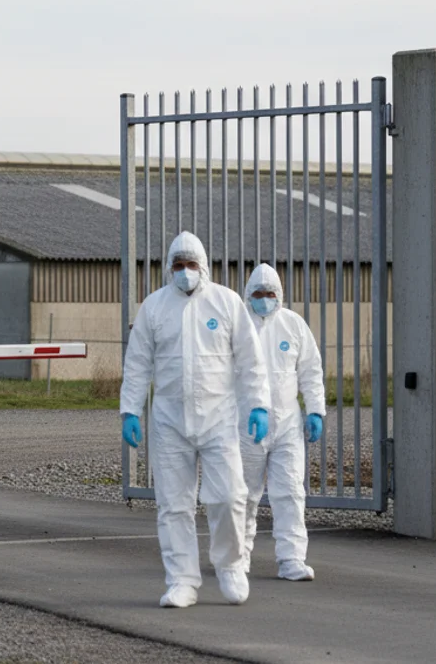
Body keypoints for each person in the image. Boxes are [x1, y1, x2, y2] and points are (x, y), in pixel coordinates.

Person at [120, 231, 272, 608]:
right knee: (173, 504)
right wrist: (130, 410)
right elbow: (138, 363)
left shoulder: (227, 302)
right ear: (169, 267)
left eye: (191, 265)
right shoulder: (154, 307)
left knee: (229, 496)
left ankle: (231, 565)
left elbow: (251, 360)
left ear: (203, 266)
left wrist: (258, 405)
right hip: (169, 419)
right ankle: (181, 581)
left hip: (219, 417)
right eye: (178, 265)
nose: (184, 272)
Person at [237, 263, 325, 582]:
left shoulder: (293, 325)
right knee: (243, 493)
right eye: (258, 294)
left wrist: (315, 410)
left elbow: (311, 371)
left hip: (287, 426)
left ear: (280, 295)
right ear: (248, 295)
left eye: (270, 294)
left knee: (289, 492)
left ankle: (291, 559)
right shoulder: (237, 326)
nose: (264, 299)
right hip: (245, 426)